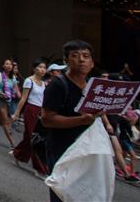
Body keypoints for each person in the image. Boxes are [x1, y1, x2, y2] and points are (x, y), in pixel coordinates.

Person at [42, 40, 101, 202]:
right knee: (63, 195)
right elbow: (47, 119)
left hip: (86, 150)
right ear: (66, 61)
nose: (81, 60)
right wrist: (81, 120)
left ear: (92, 62)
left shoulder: (93, 86)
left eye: (86, 56)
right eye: (75, 56)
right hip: (62, 150)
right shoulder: (58, 85)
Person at [11, 60, 49, 175]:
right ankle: (39, 168)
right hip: (30, 110)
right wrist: (17, 113)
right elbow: (23, 99)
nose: (43, 69)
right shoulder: (29, 81)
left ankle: (17, 154)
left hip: (39, 111)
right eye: (40, 67)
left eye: (44, 67)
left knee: (30, 137)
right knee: (34, 138)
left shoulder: (44, 84)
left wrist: (43, 114)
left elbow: (43, 101)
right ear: (34, 69)